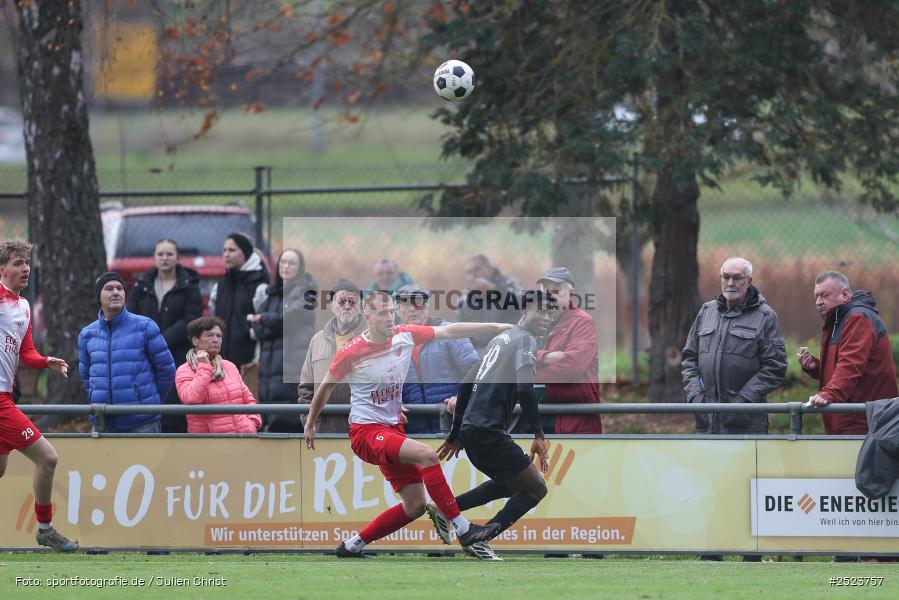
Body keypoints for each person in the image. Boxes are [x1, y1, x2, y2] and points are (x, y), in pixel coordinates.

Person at [303, 291, 514, 559]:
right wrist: (310, 422)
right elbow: (325, 388)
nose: (390, 317)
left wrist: (496, 327)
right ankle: (464, 530)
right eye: (382, 313)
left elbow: (450, 331)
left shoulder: (405, 334)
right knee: (427, 455)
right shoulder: (352, 351)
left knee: (415, 505)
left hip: (392, 428)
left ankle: (352, 546)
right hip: (366, 433)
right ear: (367, 318)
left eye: (391, 311)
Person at [429, 291, 554, 553]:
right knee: (536, 489)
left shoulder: (500, 340)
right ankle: (479, 538)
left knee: (511, 484)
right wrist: (539, 434)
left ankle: (446, 509)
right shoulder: (525, 340)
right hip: (488, 433)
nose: (546, 317)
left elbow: (465, 385)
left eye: (551, 313)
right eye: (540, 311)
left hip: (474, 433)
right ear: (525, 311)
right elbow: (525, 389)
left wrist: (456, 434)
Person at [681, 257, 786, 563]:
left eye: (737, 278)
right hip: (707, 420)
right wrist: (695, 396)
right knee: (709, 488)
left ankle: (750, 555)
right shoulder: (706, 312)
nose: (730, 283)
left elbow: (775, 367)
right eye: (726, 276)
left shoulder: (766, 317)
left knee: (746, 491)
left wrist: (741, 401)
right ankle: (711, 551)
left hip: (745, 422)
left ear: (749, 281)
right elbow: (689, 359)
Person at [0, 239, 77, 551]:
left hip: (7, 397)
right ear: (2, 269)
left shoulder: (24, 306)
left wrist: (46, 361)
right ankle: (45, 529)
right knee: (48, 458)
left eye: (27, 263)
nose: (26, 268)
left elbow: (26, 352)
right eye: (18, 263)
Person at [799, 271, 898, 434]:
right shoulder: (837, 321)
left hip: (864, 423)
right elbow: (841, 367)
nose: (818, 302)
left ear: (844, 294)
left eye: (824, 295)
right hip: (849, 419)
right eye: (816, 297)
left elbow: (851, 364)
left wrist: (829, 393)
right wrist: (815, 367)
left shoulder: (857, 318)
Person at [78, 272, 177, 434]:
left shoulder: (145, 326)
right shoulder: (87, 334)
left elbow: (166, 370)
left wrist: (148, 402)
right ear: (99, 297)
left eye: (119, 288)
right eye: (109, 289)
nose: (116, 292)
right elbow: (86, 376)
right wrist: (96, 397)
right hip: (103, 421)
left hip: (142, 422)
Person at [126, 238, 203, 433]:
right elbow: (130, 317)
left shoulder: (190, 286)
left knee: (174, 405)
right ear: (154, 257)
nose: (165, 258)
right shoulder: (142, 286)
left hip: (177, 355)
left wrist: (159, 341)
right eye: (160, 254)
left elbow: (191, 319)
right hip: (145, 356)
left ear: (178, 257)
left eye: (169, 254)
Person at [395, 284, 479, 434]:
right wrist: (390, 403)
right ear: (397, 310)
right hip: (412, 432)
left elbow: (478, 374)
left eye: (418, 302)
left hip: (454, 429)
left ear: (427, 306)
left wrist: (462, 397)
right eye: (406, 304)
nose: (413, 309)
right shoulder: (391, 342)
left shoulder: (451, 333)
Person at [251, 248, 317, 432]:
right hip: (268, 372)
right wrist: (271, 323)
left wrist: (265, 319)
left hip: (291, 370)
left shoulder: (307, 293)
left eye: (291, 263)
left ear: (300, 268)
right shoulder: (272, 293)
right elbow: (257, 328)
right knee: (271, 421)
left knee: (289, 422)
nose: (286, 266)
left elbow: (289, 319)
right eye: (283, 262)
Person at [534, 267, 602, 435]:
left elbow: (571, 367)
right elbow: (515, 356)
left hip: (574, 417)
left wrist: (527, 373)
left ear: (571, 294)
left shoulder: (582, 322)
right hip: (535, 416)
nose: (550, 297)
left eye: (555, 291)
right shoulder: (533, 321)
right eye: (545, 292)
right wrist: (546, 357)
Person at [298, 278, 367, 434]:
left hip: (363, 427)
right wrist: (311, 422)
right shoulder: (317, 340)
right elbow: (306, 389)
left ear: (361, 306)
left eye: (352, 302)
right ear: (332, 305)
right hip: (324, 429)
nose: (347, 306)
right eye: (341, 302)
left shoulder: (373, 338)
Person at [176, 316, 262, 434]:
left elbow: (248, 398)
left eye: (219, 336)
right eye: (210, 335)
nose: (216, 340)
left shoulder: (229, 366)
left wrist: (252, 423)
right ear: (195, 340)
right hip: (210, 444)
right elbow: (191, 399)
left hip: (243, 438)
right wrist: (204, 367)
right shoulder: (184, 370)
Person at [209, 232, 270, 370]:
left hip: (249, 363)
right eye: (224, 250)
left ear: (245, 254)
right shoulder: (219, 287)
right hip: (221, 362)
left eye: (232, 250)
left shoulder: (260, 287)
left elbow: (264, 325)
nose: (226, 254)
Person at [456, 254, 523, 353]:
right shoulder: (465, 297)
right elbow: (460, 327)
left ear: (490, 269)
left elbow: (521, 306)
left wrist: (493, 290)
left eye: (477, 269)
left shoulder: (510, 284)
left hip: (506, 345)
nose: (474, 275)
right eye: (469, 272)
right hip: (475, 349)